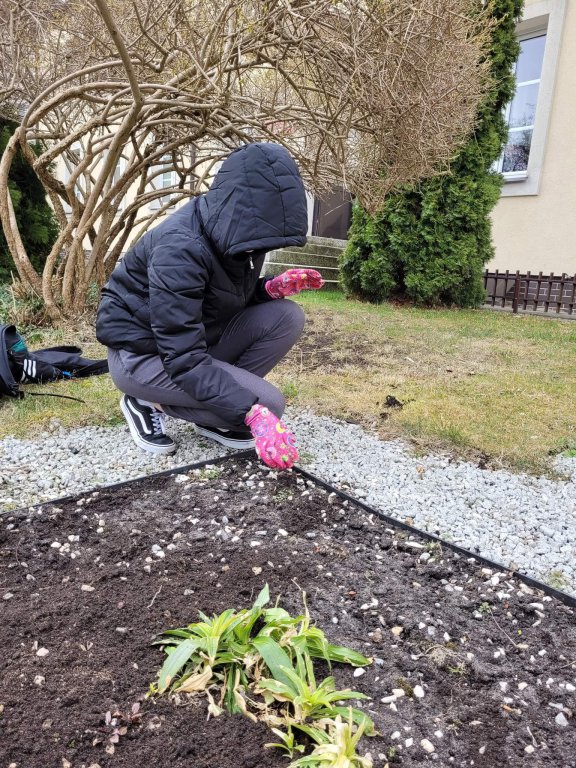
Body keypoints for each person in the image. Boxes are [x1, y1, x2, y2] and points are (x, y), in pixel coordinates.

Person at [96, 142, 324, 470]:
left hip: (190, 344)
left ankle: (214, 411)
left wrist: (269, 289)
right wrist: (252, 411)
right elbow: (184, 359)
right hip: (144, 354)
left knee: (286, 315)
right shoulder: (180, 249)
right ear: (242, 213)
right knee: (270, 403)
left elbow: (220, 300)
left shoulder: (237, 239)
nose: (265, 248)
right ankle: (147, 402)